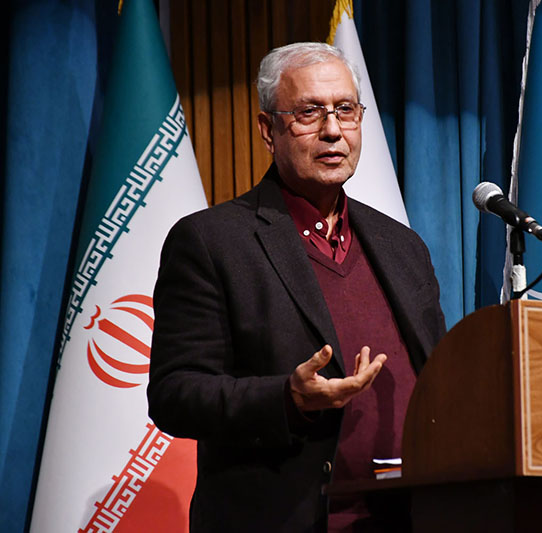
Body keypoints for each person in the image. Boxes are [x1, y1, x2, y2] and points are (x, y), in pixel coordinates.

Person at [147, 42, 447, 532]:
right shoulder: (211, 241)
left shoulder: (402, 246)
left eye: (345, 110)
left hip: (412, 517)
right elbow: (175, 394)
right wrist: (288, 398)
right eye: (309, 112)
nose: (333, 130)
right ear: (268, 130)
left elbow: (438, 381)